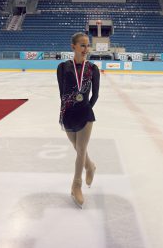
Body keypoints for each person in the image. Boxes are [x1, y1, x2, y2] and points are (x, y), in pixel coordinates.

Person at [57, 32, 100, 208]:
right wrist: (71, 107)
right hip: (67, 113)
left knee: (81, 149)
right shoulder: (62, 67)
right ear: (73, 46)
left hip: (85, 113)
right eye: (82, 45)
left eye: (87, 45)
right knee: (76, 147)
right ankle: (90, 167)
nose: (85, 49)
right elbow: (62, 93)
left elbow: (95, 94)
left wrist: (86, 107)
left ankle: (76, 185)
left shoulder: (93, 69)